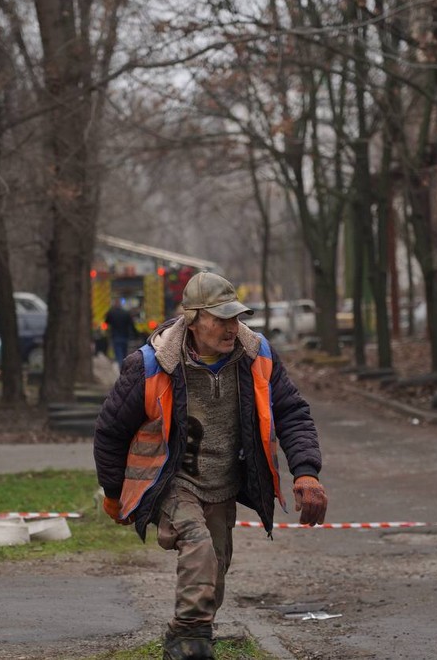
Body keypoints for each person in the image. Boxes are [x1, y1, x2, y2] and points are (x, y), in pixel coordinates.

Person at [94, 272, 327, 660]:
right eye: (221, 319)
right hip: (170, 481)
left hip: (221, 482)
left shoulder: (257, 356)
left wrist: (306, 471)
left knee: (215, 570)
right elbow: (110, 432)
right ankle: (190, 643)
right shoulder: (151, 365)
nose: (231, 327)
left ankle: (182, 634)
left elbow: (292, 413)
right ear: (193, 318)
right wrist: (115, 494)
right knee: (199, 548)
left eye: (235, 318)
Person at [104, 298, 137, 371]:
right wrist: (135, 334)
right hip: (125, 336)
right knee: (124, 352)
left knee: (118, 353)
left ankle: (121, 367)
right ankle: (124, 366)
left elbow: (106, 322)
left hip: (115, 336)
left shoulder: (111, 313)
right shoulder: (126, 313)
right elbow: (131, 324)